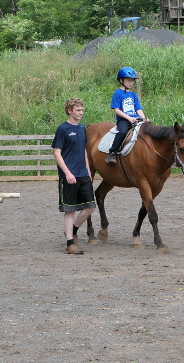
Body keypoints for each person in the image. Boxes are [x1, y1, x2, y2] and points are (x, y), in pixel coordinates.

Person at [52, 98, 97, 254]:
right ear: (69, 110)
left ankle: (74, 229)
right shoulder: (62, 129)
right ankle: (70, 243)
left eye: (82, 110)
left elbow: (83, 151)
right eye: (78, 110)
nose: (81, 113)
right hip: (69, 175)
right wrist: (67, 173)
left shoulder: (82, 128)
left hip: (83, 174)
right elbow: (57, 153)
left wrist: (87, 170)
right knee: (70, 210)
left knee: (90, 207)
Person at [106, 67, 149, 164]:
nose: (131, 83)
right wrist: (128, 118)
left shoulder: (133, 95)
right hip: (124, 120)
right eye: (129, 80)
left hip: (136, 119)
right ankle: (112, 152)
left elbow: (138, 109)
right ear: (121, 80)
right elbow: (116, 110)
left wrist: (143, 118)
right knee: (122, 132)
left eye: (132, 81)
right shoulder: (117, 93)